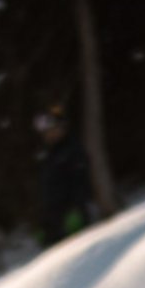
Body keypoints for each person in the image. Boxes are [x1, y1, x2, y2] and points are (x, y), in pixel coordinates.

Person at [35, 103, 95, 246]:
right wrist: (45, 222)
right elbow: (48, 190)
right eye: (46, 132)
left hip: (75, 213)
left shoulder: (72, 149)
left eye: (52, 129)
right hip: (58, 218)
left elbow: (80, 180)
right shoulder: (48, 156)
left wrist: (78, 208)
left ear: (61, 127)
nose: (49, 135)